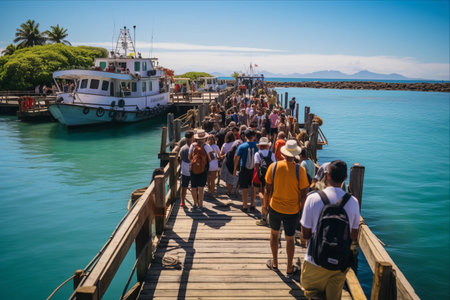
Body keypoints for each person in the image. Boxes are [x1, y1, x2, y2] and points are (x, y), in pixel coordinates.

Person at [300, 160, 360, 300]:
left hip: (314, 259)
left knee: (311, 292)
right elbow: (353, 235)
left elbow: (306, 234)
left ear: (327, 176)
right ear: (345, 178)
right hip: (339, 263)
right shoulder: (353, 202)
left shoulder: (312, 198)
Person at [263, 140, 309, 276]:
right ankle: (289, 267)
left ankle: (275, 263)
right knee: (290, 239)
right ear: (295, 155)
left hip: (275, 207)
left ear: (283, 154)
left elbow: (267, 189)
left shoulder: (274, 166)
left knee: (274, 234)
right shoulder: (300, 170)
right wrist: (302, 211)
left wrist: (265, 207)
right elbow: (304, 194)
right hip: (292, 210)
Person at [234, 129, 258, 211]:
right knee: (253, 187)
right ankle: (252, 205)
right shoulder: (257, 145)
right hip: (254, 169)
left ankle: (244, 206)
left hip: (244, 168)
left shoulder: (242, 146)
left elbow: (237, 158)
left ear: (245, 137)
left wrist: (234, 169)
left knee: (244, 187)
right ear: (254, 137)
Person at [253, 137, 276, 226]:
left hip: (262, 178)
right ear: (267, 146)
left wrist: (259, 176)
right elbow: (274, 165)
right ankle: (270, 214)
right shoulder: (271, 154)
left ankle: (263, 217)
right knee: (270, 195)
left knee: (262, 194)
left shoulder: (257, 154)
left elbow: (256, 165)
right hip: (271, 178)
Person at [188, 130, 213, 210]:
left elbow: (189, 157)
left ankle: (195, 204)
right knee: (201, 187)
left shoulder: (192, 145)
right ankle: (201, 205)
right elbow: (211, 158)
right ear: (205, 138)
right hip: (203, 169)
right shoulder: (207, 146)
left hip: (193, 169)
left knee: (193, 187)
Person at [179, 130, 194, 207]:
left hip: (184, 170)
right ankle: (196, 202)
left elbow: (180, 159)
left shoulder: (182, 148)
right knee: (194, 187)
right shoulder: (194, 148)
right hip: (193, 170)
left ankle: (182, 202)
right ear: (192, 138)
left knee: (184, 186)